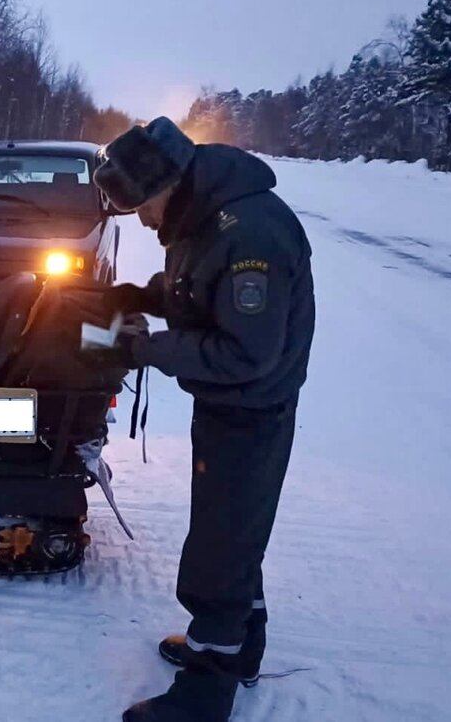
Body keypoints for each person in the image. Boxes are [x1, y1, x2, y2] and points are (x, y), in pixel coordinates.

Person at [83, 117, 315, 722]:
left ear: (169, 182)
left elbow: (245, 351)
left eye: (141, 205)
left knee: (219, 548)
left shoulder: (250, 235)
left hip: (251, 409)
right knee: (234, 533)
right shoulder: (204, 214)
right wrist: (136, 296)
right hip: (227, 404)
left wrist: (144, 349)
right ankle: (241, 646)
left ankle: (206, 690)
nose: (140, 219)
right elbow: (191, 290)